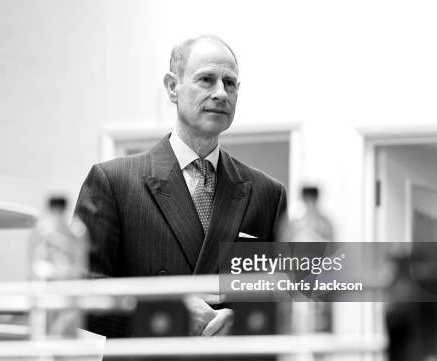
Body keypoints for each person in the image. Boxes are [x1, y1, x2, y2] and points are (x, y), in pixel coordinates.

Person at [74, 35, 287, 337]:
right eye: (206, 79)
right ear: (173, 87)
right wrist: (168, 313)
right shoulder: (114, 182)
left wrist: (239, 322)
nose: (221, 93)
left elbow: (286, 299)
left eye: (230, 83)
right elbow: (77, 293)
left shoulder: (268, 194)